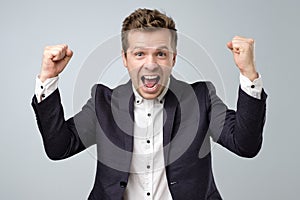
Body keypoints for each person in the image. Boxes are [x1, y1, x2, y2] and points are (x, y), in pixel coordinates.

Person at [32, 8, 267, 200]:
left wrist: (248, 73)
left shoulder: (200, 97)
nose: (151, 64)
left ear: (173, 58)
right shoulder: (103, 103)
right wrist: (48, 79)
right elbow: (58, 148)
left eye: (161, 54)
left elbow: (245, 145)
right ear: (125, 59)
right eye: (140, 54)